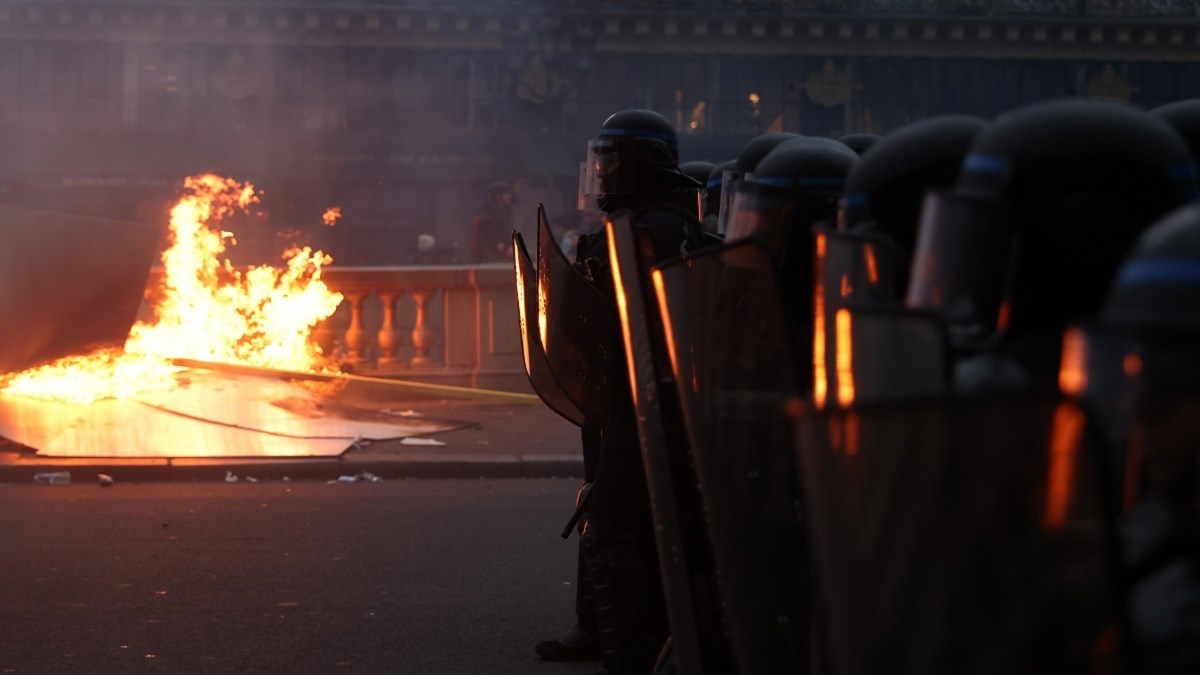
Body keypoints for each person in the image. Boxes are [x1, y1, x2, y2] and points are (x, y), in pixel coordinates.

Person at [539, 109, 704, 675]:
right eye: (600, 160)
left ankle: (632, 649)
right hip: (620, 393)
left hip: (646, 396)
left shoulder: (656, 229)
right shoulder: (640, 222)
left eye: (612, 161)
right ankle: (598, 631)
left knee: (614, 518)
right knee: (601, 504)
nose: (602, 173)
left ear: (642, 164)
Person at [467, 181, 514, 263]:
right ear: (498, 196)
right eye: (506, 194)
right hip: (490, 254)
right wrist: (498, 242)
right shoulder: (492, 209)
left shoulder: (503, 209)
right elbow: (490, 228)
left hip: (499, 252)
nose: (509, 196)